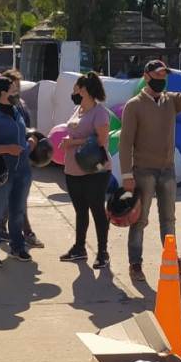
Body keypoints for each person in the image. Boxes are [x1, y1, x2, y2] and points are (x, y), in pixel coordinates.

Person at [119, 59, 181, 281]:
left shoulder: (171, 101)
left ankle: (171, 258)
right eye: (157, 75)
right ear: (146, 76)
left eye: (164, 75)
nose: (161, 79)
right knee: (140, 219)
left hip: (167, 170)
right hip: (143, 171)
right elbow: (125, 142)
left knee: (169, 218)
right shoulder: (134, 105)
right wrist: (127, 175)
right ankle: (135, 264)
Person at [0, 77, 37, 267]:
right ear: (2, 93)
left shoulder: (17, 111)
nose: (16, 93)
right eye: (13, 90)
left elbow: (21, 136)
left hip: (23, 170)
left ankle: (17, 247)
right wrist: (6, 149)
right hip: (1, 173)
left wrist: (29, 143)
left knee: (18, 212)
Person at [59, 72, 112, 269]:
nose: (74, 91)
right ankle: (79, 248)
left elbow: (102, 140)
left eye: (77, 87)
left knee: (97, 209)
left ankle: (103, 252)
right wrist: (68, 141)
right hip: (73, 169)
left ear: (85, 90)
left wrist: (72, 142)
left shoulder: (100, 112)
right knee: (80, 211)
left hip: (95, 170)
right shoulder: (78, 109)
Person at [0, 69, 44, 249]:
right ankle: (27, 232)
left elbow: (26, 128)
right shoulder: (1, 107)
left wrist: (31, 140)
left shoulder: (21, 104)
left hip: (23, 156)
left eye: (18, 86)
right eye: (13, 86)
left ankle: (1, 227)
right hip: (10, 159)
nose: (16, 90)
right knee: (18, 198)